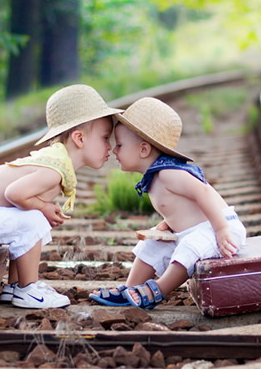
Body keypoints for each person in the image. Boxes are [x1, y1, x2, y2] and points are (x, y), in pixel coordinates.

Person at [0, 84, 121, 309]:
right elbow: (14, 193)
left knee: (27, 218)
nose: (110, 147)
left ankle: (15, 286)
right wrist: (43, 207)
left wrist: (39, 206)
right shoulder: (54, 169)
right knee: (34, 219)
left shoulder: (56, 162)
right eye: (105, 138)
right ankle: (28, 290)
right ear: (79, 138)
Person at [89, 96, 246, 309]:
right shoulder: (155, 177)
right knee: (152, 242)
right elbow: (181, 208)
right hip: (195, 229)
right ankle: (131, 287)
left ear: (144, 150)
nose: (115, 150)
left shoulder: (168, 174)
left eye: (120, 145)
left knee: (191, 246)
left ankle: (159, 290)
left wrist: (221, 229)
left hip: (220, 228)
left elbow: (204, 192)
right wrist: (168, 224)